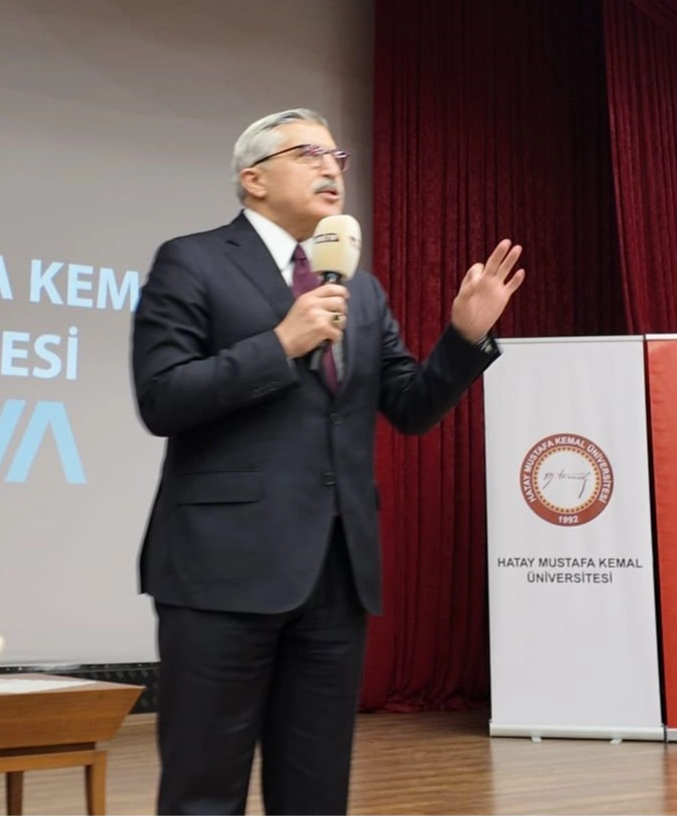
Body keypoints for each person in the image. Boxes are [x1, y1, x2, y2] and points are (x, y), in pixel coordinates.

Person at [129, 108, 526, 816]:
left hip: (335, 575)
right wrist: (279, 344)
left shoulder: (359, 290)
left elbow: (410, 406)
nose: (330, 167)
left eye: (335, 156)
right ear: (253, 179)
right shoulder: (191, 260)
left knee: (315, 795)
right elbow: (161, 397)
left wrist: (464, 338)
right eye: (307, 153)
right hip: (220, 571)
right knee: (202, 792)